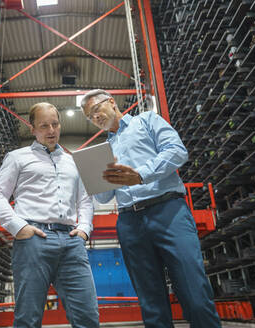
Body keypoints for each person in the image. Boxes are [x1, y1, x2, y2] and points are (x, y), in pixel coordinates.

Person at [81, 89, 221, 328]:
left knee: (193, 289)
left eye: (96, 110)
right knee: (150, 300)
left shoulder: (146, 121)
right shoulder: (103, 151)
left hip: (168, 210)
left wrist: (141, 175)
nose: (96, 118)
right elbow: (104, 198)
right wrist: (93, 178)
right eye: (90, 117)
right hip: (129, 222)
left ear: (111, 103)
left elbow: (177, 151)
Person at [0, 102, 99, 328]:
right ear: (33, 129)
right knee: (28, 317)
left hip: (71, 241)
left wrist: (84, 230)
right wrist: (19, 227)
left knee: (87, 315)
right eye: (44, 125)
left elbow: (85, 199)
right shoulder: (17, 157)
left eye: (55, 124)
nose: (51, 130)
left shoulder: (74, 161)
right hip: (33, 240)